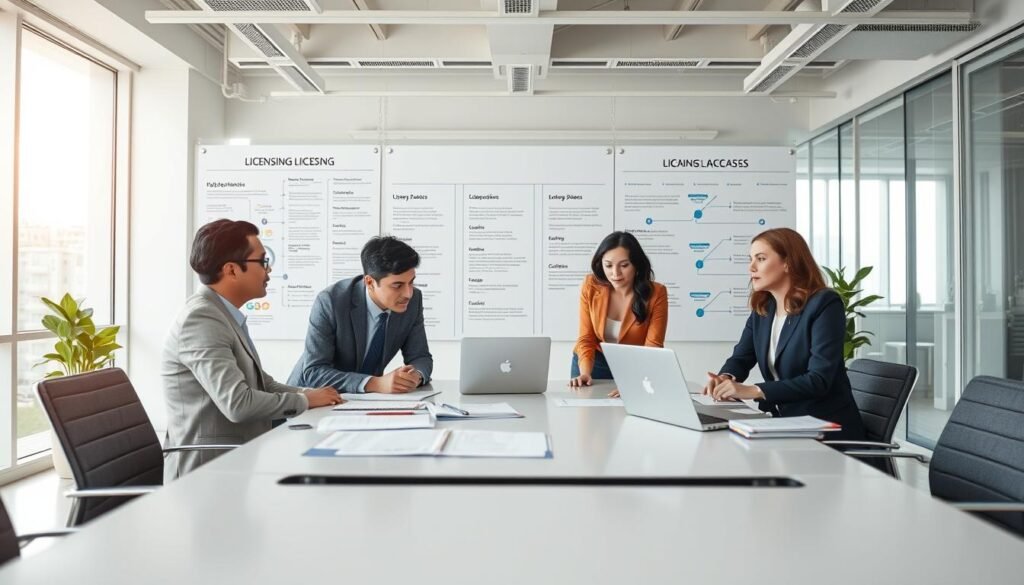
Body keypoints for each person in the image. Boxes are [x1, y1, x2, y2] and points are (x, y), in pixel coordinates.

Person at [162, 219, 342, 480]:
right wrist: (305, 401)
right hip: (207, 472)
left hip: (238, 456)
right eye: (262, 261)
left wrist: (311, 393)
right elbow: (238, 403)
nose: (269, 271)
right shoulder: (201, 319)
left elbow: (262, 384)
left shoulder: (222, 314)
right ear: (232, 270)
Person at [705, 227, 866, 441]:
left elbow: (818, 380)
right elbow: (741, 358)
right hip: (783, 423)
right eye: (751, 259)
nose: (751, 267)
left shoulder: (824, 304)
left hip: (825, 430)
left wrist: (752, 390)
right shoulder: (764, 309)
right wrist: (725, 378)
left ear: (788, 263)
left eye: (761, 259)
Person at [288, 236, 433, 394]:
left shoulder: (413, 300)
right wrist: (375, 383)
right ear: (370, 282)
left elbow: (420, 356)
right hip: (310, 399)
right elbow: (314, 372)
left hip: (363, 401)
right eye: (397, 285)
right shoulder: (331, 301)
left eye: (411, 282)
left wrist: (415, 377)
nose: (408, 293)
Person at [570, 231, 668, 395]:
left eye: (624, 265)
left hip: (634, 366)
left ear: (636, 265)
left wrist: (636, 381)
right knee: (587, 416)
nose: (615, 273)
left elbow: (653, 347)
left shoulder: (656, 293)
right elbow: (586, 337)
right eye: (608, 265)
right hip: (593, 362)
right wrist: (585, 372)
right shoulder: (590, 286)